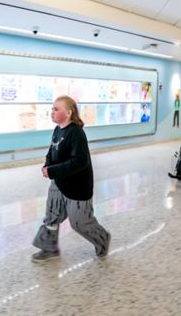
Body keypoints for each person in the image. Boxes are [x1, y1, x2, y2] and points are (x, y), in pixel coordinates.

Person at [32, 95, 111, 262]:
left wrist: (52, 170)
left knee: (80, 223)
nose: (51, 112)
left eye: (56, 109)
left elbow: (79, 162)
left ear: (68, 113)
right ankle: (49, 248)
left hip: (77, 187)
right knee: (51, 215)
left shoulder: (76, 133)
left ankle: (102, 238)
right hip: (59, 182)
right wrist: (47, 166)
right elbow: (52, 151)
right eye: (52, 108)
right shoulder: (58, 130)